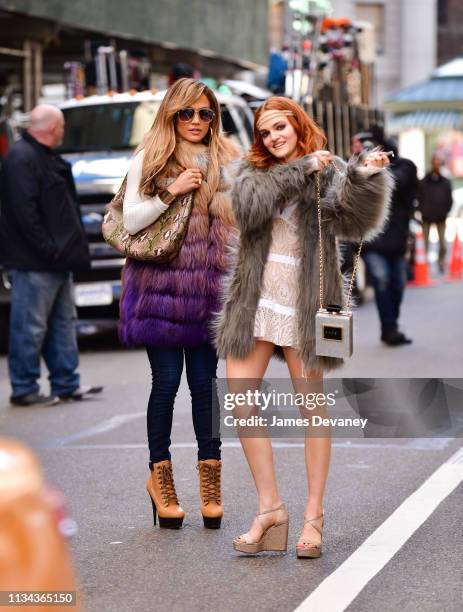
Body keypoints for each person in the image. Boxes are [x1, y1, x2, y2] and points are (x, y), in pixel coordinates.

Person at [214, 97, 392, 557]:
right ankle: (269, 508)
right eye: (266, 131)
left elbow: (356, 222)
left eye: (280, 127)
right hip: (254, 300)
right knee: (240, 403)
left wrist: (364, 175)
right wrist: (298, 170)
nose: (274, 137)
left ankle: (313, 516)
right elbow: (250, 209)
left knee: (312, 408)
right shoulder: (252, 174)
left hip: (303, 301)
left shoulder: (328, 171)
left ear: (298, 125)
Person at [119, 78, 240, 530]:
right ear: (171, 115)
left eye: (204, 114)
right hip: (159, 289)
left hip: (208, 291)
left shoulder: (229, 160)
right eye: (186, 113)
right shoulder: (148, 158)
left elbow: (246, 221)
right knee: (166, 383)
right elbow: (130, 220)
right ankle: (161, 478)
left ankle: (211, 482)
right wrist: (173, 190)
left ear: (214, 118)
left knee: (206, 387)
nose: (195, 122)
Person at [0, 105, 103, 406]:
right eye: (60, 127)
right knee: (30, 327)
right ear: (50, 128)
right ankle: (24, 387)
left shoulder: (38, 156)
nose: (62, 132)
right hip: (36, 262)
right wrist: (50, 249)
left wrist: (61, 252)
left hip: (56, 260)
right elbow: (24, 214)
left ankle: (66, 383)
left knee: (62, 323)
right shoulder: (22, 159)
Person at [362, 138, 418, 346]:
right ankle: (389, 329)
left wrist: (376, 168)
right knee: (382, 281)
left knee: (398, 285)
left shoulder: (405, 166)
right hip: (373, 243)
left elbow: (398, 182)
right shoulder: (364, 170)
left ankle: (391, 325)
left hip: (397, 241)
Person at [418, 154, 453, 273]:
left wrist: (445, 210)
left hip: (441, 216)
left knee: (443, 244)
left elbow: (449, 199)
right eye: (434, 162)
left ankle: (441, 262)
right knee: (425, 243)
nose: (436, 165)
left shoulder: (445, 182)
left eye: (438, 163)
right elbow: (419, 197)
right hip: (426, 216)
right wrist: (421, 210)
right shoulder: (424, 181)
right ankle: (425, 264)